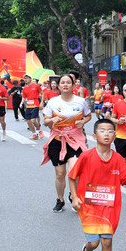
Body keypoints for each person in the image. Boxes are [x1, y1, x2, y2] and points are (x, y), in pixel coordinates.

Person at [69, 118, 126, 251]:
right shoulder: (86, 156)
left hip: (109, 206)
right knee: (94, 243)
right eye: (102, 130)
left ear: (115, 136)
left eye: (109, 131)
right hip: (89, 205)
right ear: (94, 135)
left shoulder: (117, 159)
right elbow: (72, 176)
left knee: (107, 241)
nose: (106, 134)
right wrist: (74, 197)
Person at [41, 74, 92, 213]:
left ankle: (73, 195)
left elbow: (88, 116)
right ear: (58, 85)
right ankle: (60, 199)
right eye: (62, 82)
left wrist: (82, 122)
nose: (65, 85)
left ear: (73, 85)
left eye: (68, 82)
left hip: (75, 140)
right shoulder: (52, 102)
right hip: (57, 140)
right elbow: (45, 121)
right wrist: (51, 121)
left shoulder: (81, 102)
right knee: (60, 174)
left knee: (74, 171)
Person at [22, 74, 44, 140]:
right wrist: (21, 103)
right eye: (25, 78)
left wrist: (41, 102)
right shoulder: (25, 88)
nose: (25, 79)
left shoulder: (36, 86)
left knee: (33, 120)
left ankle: (39, 130)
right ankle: (34, 134)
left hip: (35, 104)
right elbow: (24, 97)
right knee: (28, 121)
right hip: (28, 105)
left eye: (27, 78)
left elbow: (42, 93)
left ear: (30, 79)